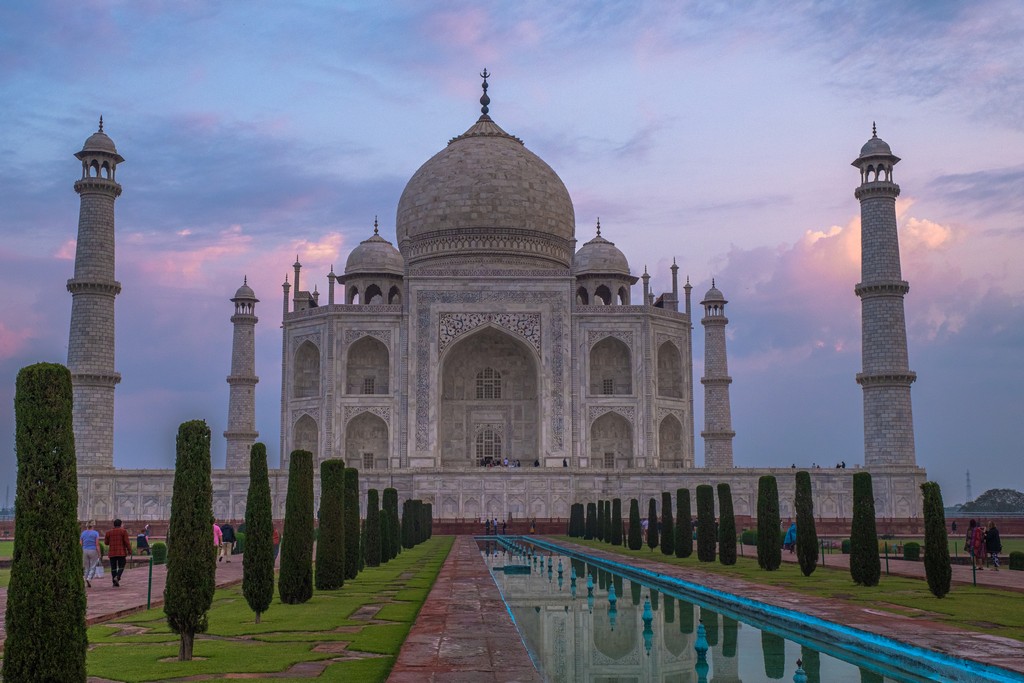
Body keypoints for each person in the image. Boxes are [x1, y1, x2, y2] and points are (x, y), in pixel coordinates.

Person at [104, 519, 132, 587]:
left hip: (112, 552)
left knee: (113, 568)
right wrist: (129, 550)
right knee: (121, 565)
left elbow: (106, 543)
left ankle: (114, 581)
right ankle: (118, 576)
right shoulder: (123, 531)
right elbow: (127, 542)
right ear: (120, 524)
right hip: (121, 552)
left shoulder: (109, 532)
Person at [80, 521, 101, 588]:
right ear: (93, 526)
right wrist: (99, 553)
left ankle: (84, 579)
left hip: (85, 550)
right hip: (93, 550)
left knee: (86, 567)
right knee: (93, 565)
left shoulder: (83, 533)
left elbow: (81, 543)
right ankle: (89, 578)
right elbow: (97, 544)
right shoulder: (95, 533)